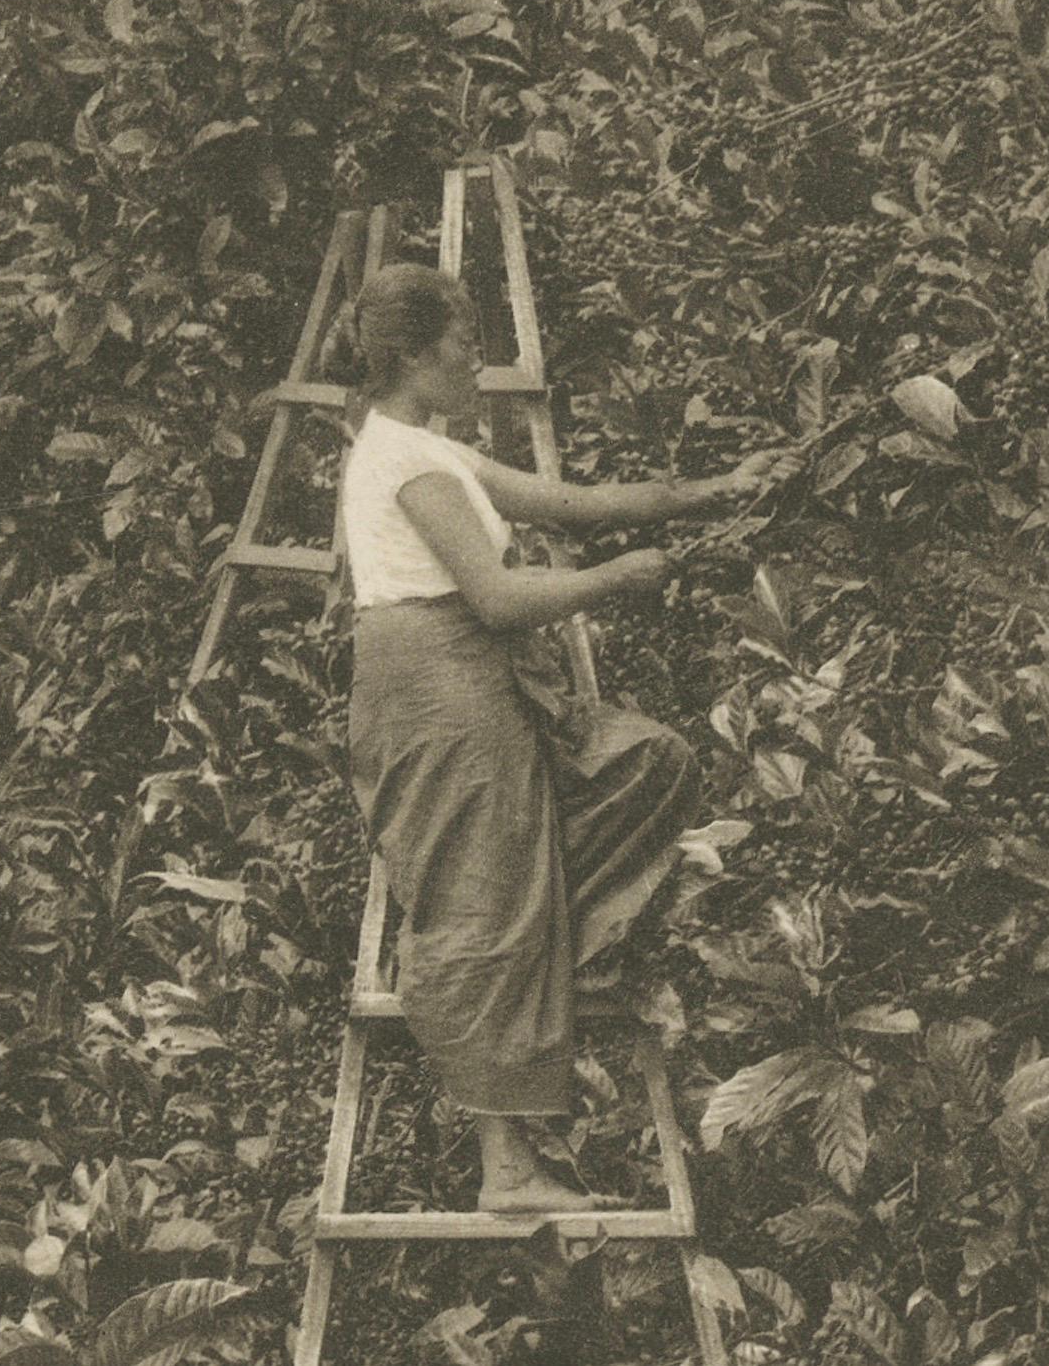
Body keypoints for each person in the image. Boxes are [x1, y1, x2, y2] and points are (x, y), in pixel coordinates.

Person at [338, 261, 799, 1212]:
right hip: (437, 693)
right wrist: (615, 580)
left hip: (473, 685)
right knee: (481, 901)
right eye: (464, 341)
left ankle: (549, 943)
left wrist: (714, 488)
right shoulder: (403, 461)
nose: (477, 358)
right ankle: (505, 1168)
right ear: (414, 354)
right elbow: (502, 598)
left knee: (646, 767)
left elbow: (570, 503)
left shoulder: (427, 448)